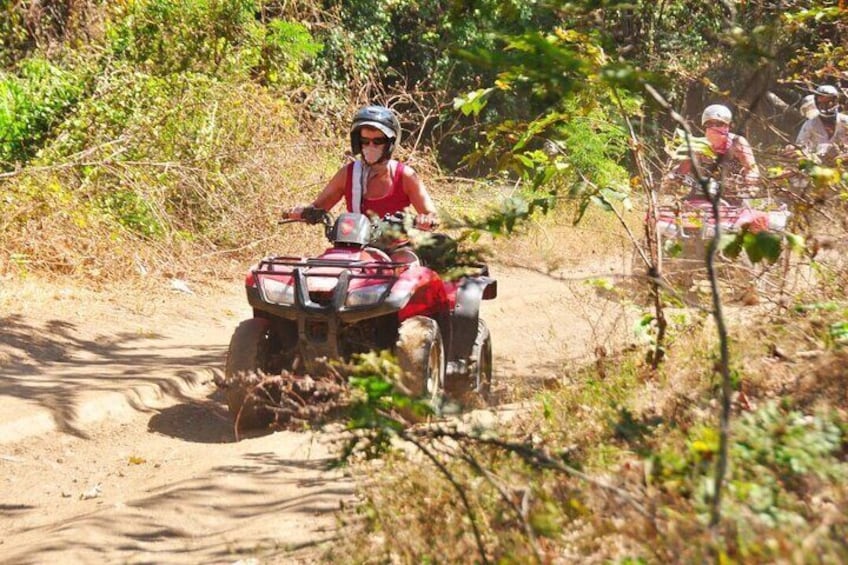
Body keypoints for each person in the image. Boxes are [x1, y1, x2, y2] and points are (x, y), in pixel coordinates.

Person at [289, 105, 439, 230]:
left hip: (395, 251)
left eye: (378, 141)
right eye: (365, 141)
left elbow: (432, 216)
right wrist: (303, 212)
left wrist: (426, 220)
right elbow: (319, 207)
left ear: (390, 143)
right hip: (355, 246)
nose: (370, 146)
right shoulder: (348, 174)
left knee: (409, 263)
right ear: (357, 142)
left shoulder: (405, 176)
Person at [669, 103, 760, 199]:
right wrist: (671, 177)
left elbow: (752, 169)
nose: (714, 127)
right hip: (702, 193)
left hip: (734, 193)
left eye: (719, 124)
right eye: (710, 124)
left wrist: (749, 181)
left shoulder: (737, 143)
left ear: (727, 126)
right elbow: (681, 170)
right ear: (705, 127)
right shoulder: (699, 145)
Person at [794, 84, 848, 160]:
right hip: (818, 165)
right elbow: (799, 147)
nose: (824, 106)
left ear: (836, 101)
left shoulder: (846, 121)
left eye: (828, 101)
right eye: (821, 102)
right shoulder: (810, 124)